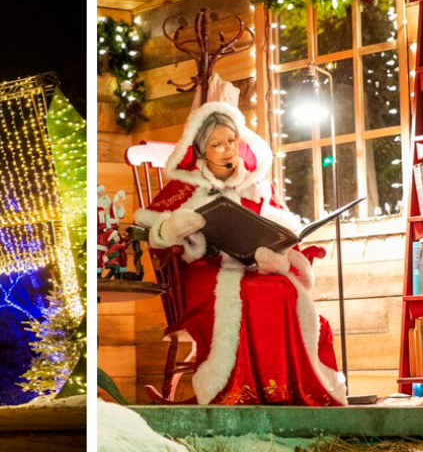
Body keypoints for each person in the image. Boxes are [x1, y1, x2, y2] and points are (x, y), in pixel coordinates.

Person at [134, 101, 347, 406]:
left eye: (231, 141)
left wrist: (279, 258)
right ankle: (235, 391)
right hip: (205, 270)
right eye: (217, 144)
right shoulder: (184, 187)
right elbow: (153, 233)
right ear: (201, 150)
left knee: (285, 290)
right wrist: (170, 229)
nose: (227, 150)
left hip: (255, 267)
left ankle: (280, 391)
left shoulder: (257, 184)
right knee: (237, 295)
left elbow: (284, 235)